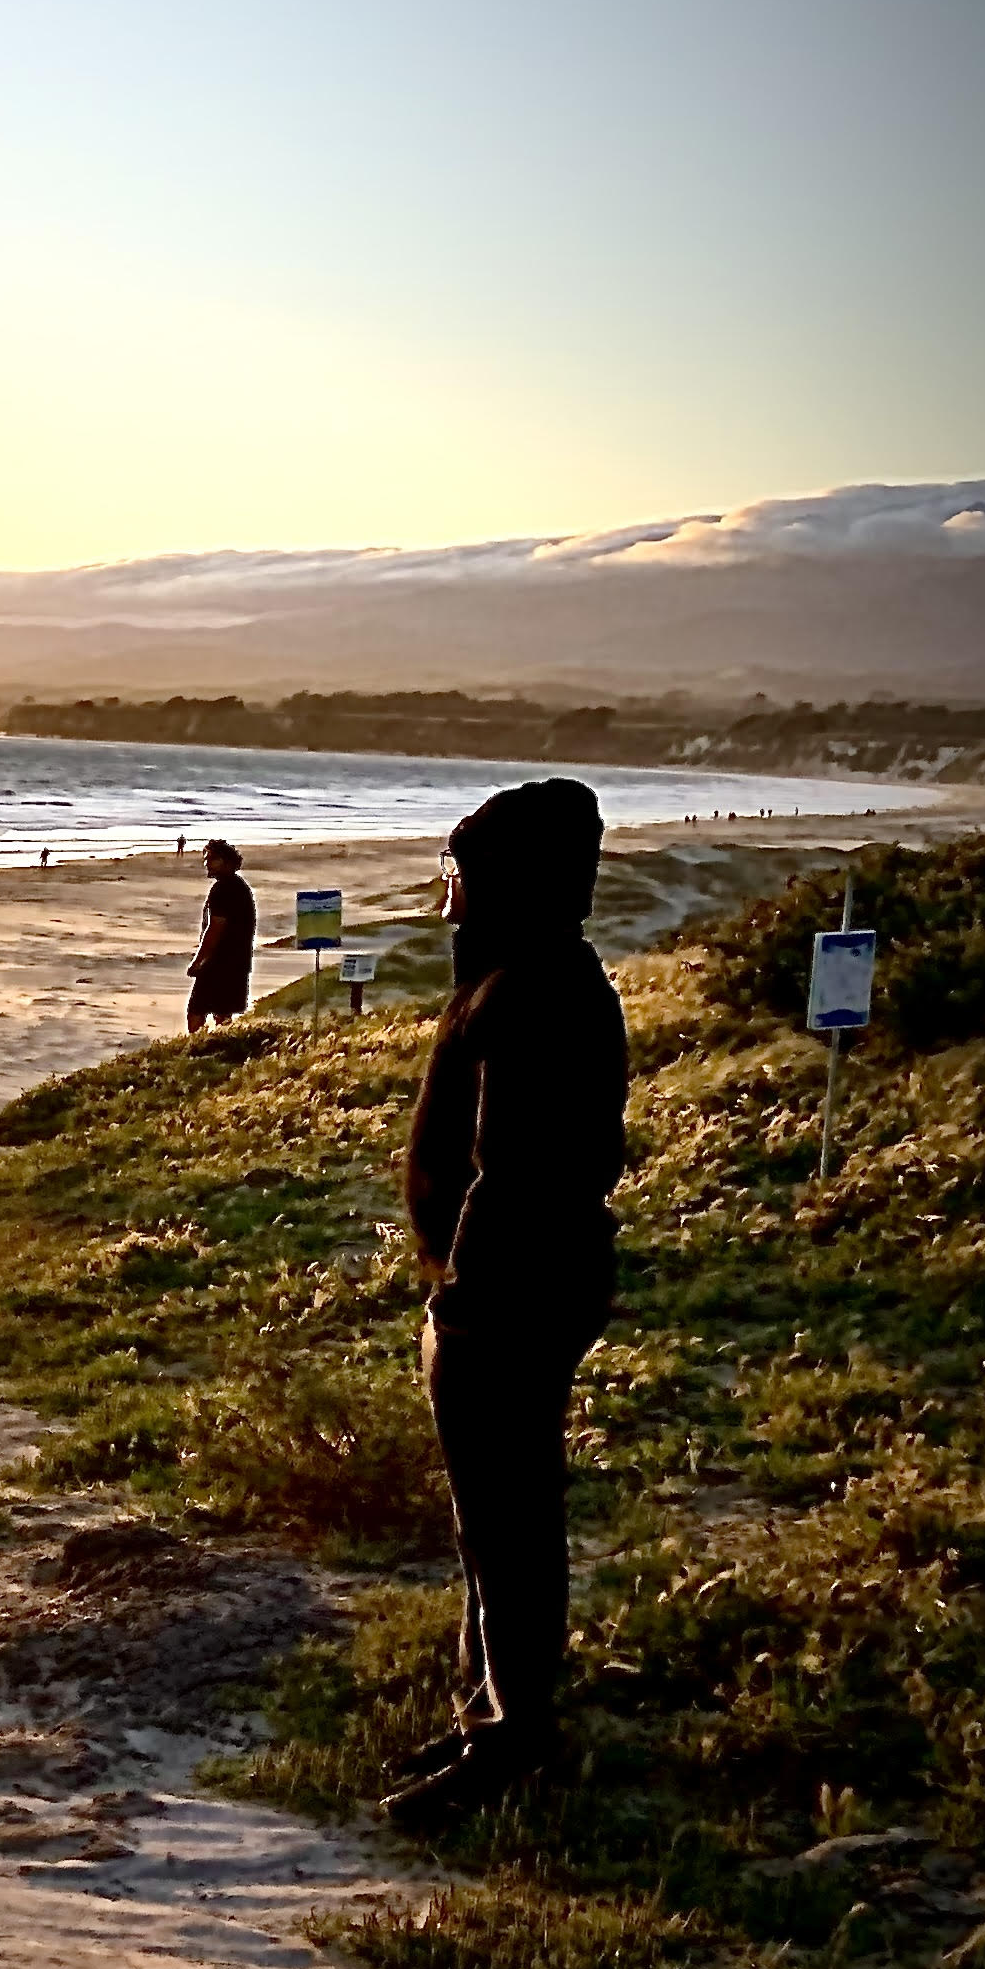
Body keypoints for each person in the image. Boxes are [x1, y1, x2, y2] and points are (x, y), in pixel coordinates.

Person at [382, 778, 627, 1829]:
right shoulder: (516, 975)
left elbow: (518, 1171)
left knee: (511, 1521)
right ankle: (491, 1709)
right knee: (487, 1521)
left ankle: (514, 1736)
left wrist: (467, 1295)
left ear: (509, 885)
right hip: (499, 1284)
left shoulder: (543, 992)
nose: (450, 900)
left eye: (465, 879)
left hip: (513, 1292)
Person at [187, 837, 257, 1030]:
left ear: (225, 861)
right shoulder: (240, 886)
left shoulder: (224, 889)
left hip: (220, 961)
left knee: (197, 1009)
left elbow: (215, 928)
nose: (206, 864)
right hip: (238, 960)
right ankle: (222, 1046)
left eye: (210, 859)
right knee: (223, 1010)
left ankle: (195, 1049)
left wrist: (199, 961)